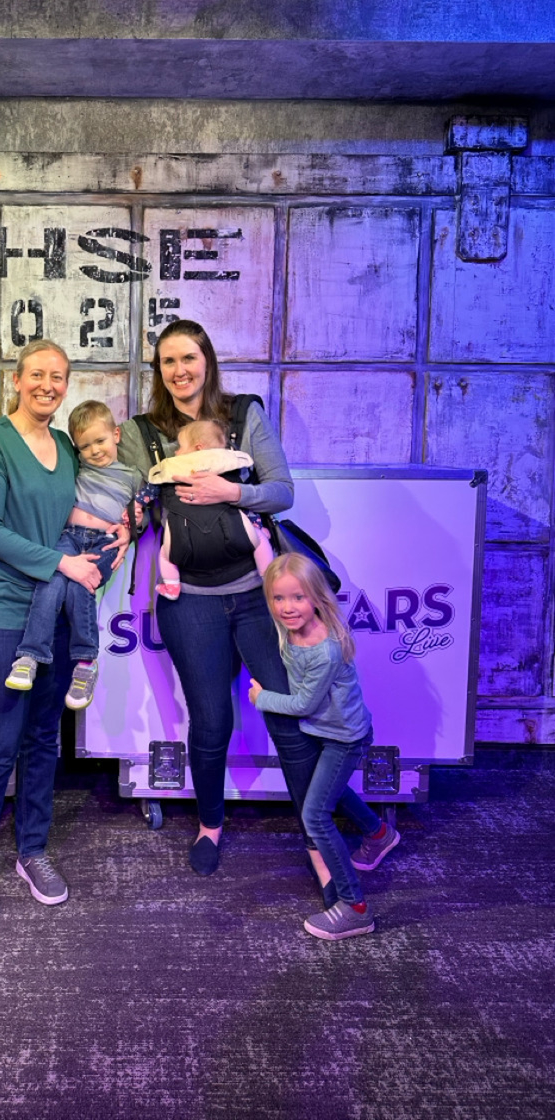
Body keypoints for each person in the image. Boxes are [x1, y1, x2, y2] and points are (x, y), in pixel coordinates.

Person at [118, 318, 365, 884]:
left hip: (258, 596)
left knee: (290, 716)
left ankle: (316, 840)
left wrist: (230, 491)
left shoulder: (244, 414)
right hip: (189, 601)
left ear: (207, 360)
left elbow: (282, 491)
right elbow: (131, 500)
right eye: (168, 361)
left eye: (189, 357)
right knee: (210, 722)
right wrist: (120, 520)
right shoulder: (142, 432)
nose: (180, 370)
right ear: (158, 371)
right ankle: (209, 825)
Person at [0, 340, 127, 937]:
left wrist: (117, 531)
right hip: (3, 611)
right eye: (37, 374)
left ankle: (32, 852)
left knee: (42, 744)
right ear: (17, 379)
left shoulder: (65, 447)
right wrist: (63, 565)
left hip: (52, 615)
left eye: (58, 376)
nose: (47, 385)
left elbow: (80, 515)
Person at [250, 553, 401, 940]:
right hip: (324, 731)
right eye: (278, 598)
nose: (287, 608)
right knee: (334, 790)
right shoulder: (288, 628)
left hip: (344, 738)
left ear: (317, 597)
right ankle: (378, 834)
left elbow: (304, 704)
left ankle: (355, 908)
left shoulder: (325, 649)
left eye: (297, 597)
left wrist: (262, 698)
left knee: (316, 815)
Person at [6, 400, 144, 710]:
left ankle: (86, 663)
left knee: (82, 586)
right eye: (85, 446)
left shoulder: (133, 476)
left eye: (100, 441)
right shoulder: (77, 467)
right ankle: (29, 655)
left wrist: (135, 521)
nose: (94, 450)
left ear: (116, 435)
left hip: (104, 543)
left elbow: (143, 512)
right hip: (69, 536)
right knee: (50, 582)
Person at [147, 418, 274, 600]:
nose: (176, 452)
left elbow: (150, 490)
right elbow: (247, 505)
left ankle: (172, 585)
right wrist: (257, 525)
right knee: (260, 540)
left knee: (166, 555)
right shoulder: (232, 463)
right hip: (235, 537)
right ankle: (267, 576)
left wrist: (138, 504)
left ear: (198, 448)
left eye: (180, 446)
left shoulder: (172, 468)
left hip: (183, 542)